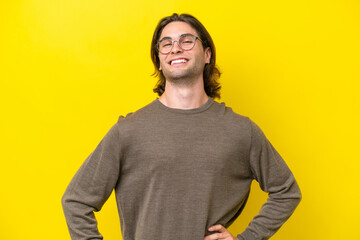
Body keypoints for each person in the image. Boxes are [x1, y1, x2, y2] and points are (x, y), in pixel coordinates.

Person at [62, 13, 301, 240]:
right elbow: (76, 201)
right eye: (166, 44)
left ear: (207, 54)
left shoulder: (240, 131)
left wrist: (247, 237)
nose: (175, 48)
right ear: (159, 61)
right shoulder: (128, 131)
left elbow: (286, 191)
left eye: (186, 41)